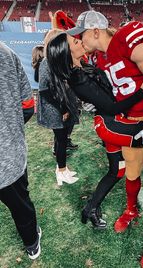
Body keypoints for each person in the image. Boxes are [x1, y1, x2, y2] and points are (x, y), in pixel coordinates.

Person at [67, 10, 143, 267]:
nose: (79, 39)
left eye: (81, 34)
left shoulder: (128, 38)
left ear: (96, 31)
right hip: (131, 121)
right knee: (132, 173)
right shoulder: (99, 57)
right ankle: (131, 210)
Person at [45, 31, 143, 228]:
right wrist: (142, 92)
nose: (79, 41)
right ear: (67, 52)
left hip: (111, 122)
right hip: (111, 124)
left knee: (117, 171)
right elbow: (112, 107)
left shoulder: (83, 66)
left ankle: (90, 208)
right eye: (74, 41)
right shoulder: (77, 77)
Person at [0, 41, 41, 260]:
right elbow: (28, 105)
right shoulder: (6, 53)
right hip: (8, 156)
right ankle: (31, 242)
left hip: (8, 154)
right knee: (21, 206)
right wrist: (10, 130)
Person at [37, 29, 79, 186]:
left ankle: (62, 168)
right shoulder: (46, 62)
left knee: (61, 139)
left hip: (60, 106)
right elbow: (44, 90)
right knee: (61, 139)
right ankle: (61, 171)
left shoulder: (57, 61)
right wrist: (62, 109)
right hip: (54, 108)